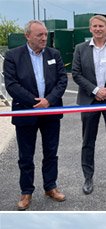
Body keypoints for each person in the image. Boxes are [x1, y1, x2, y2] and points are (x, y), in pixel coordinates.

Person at [4, 20, 68, 210]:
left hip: (50, 111)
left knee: (51, 153)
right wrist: (35, 103)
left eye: (45, 34)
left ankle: (50, 187)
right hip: (26, 112)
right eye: (39, 35)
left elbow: (62, 80)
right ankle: (26, 192)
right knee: (26, 155)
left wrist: (48, 100)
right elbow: (11, 84)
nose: (44, 38)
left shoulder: (54, 54)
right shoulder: (12, 56)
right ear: (27, 36)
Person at [71, 14, 106, 195]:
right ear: (90, 29)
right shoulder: (80, 49)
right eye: (94, 26)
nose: (98, 29)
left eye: (101, 26)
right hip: (89, 100)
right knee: (88, 140)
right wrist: (96, 90)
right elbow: (76, 74)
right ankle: (88, 177)